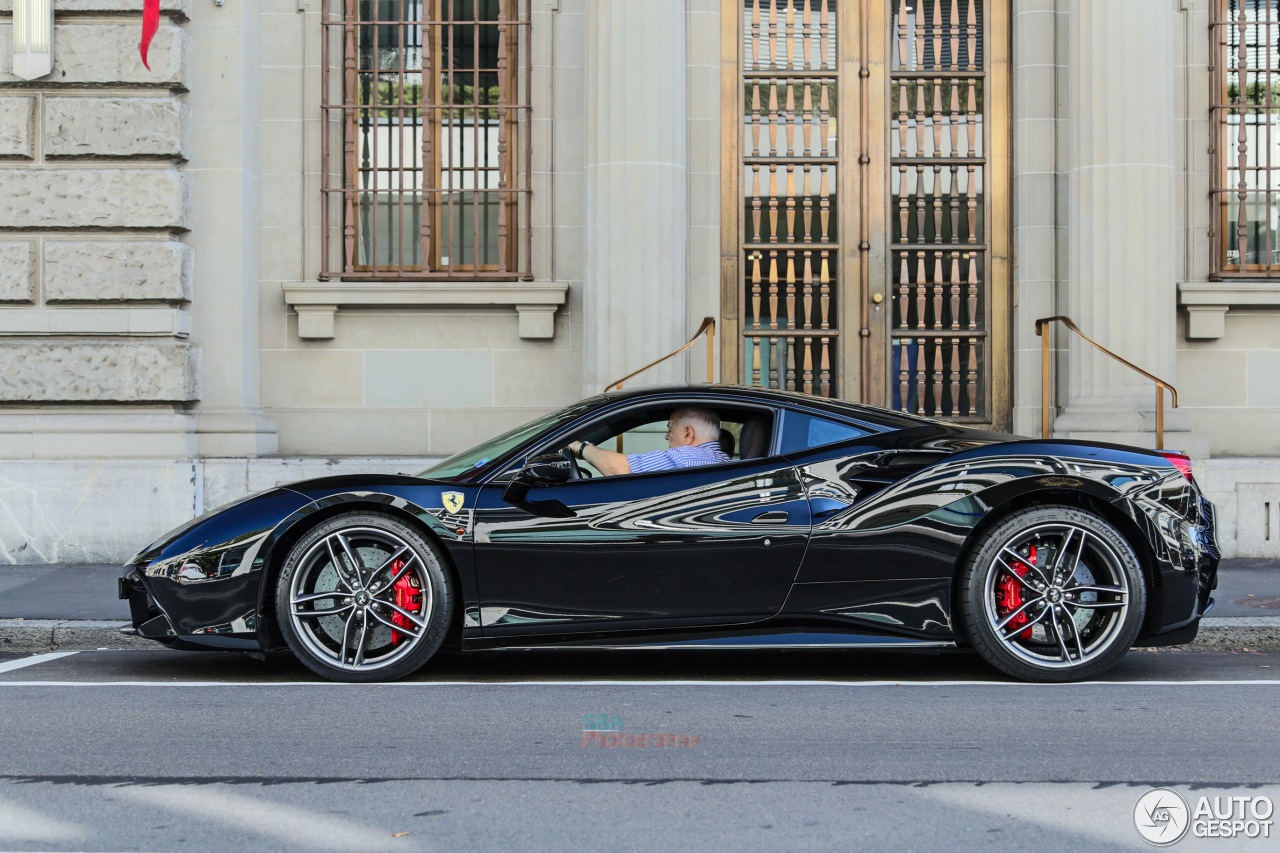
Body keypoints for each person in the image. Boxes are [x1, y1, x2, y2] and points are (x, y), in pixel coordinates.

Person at [567, 407, 730, 477]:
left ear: (688, 433)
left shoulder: (686, 457)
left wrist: (579, 447)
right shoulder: (726, 461)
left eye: (670, 429)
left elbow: (621, 470)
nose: (667, 437)